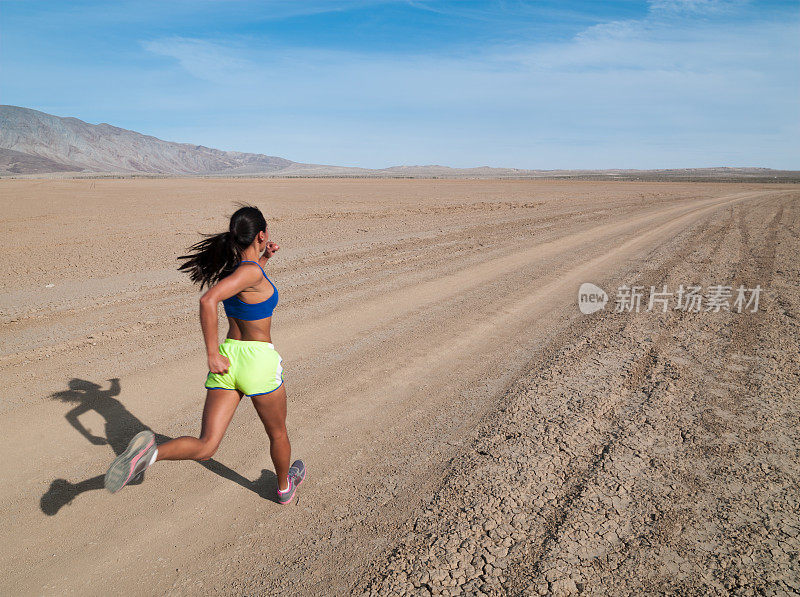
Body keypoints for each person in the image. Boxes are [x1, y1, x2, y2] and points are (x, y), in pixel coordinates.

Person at [104, 205, 305, 505]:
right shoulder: (248, 272)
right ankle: (284, 487)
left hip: (230, 358)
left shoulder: (237, 271)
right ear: (261, 235)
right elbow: (208, 300)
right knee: (277, 434)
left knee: (206, 445)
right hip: (257, 361)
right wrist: (210, 352)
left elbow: (248, 287)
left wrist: (264, 258)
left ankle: (151, 454)